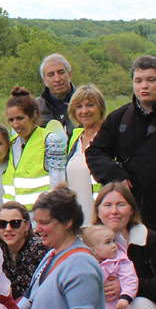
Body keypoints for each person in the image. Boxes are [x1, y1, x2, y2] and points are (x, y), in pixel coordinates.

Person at [85, 55, 156, 252]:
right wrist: (116, 176)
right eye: (138, 81)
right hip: (131, 212)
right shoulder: (120, 118)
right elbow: (95, 152)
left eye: (151, 80)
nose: (144, 86)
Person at [80, 225, 139, 309]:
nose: (114, 245)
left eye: (113, 241)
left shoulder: (120, 261)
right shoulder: (87, 263)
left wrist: (126, 296)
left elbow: (130, 278)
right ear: (93, 250)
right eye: (108, 242)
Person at [2, 86, 66, 206]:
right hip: (14, 217)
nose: (15, 124)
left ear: (33, 115)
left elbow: (59, 183)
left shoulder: (50, 140)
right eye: (11, 120)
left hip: (42, 215)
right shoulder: (12, 143)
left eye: (20, 118)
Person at [62, 85, 108, 224]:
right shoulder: (74, 138)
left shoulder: (108, 137)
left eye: (90, 105)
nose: (84, 111)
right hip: (76, 223)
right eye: (79, 106)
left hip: (101, 222)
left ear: (100, 108)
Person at [0, 201, 46, 304]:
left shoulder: (40, 248)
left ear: (27, 225)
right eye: (2, 224)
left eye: (15, 223)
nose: (8, 229)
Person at [36, 53, 75, 136]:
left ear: (69, 75)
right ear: (44, 80)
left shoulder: (85, 103)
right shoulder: (35, 108)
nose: (57, 79)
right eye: (51, 75)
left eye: (61, 72)